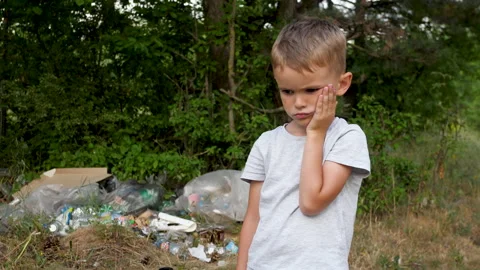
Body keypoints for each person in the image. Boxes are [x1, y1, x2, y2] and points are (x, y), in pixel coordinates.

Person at [236, 17, 371, 270]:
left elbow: (311, 203)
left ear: (342, 84)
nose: (298, 102)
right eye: (287, 91)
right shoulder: (266, 144)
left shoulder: (347, 138)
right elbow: (253, 218)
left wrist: (316, 133)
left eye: (311, 90)